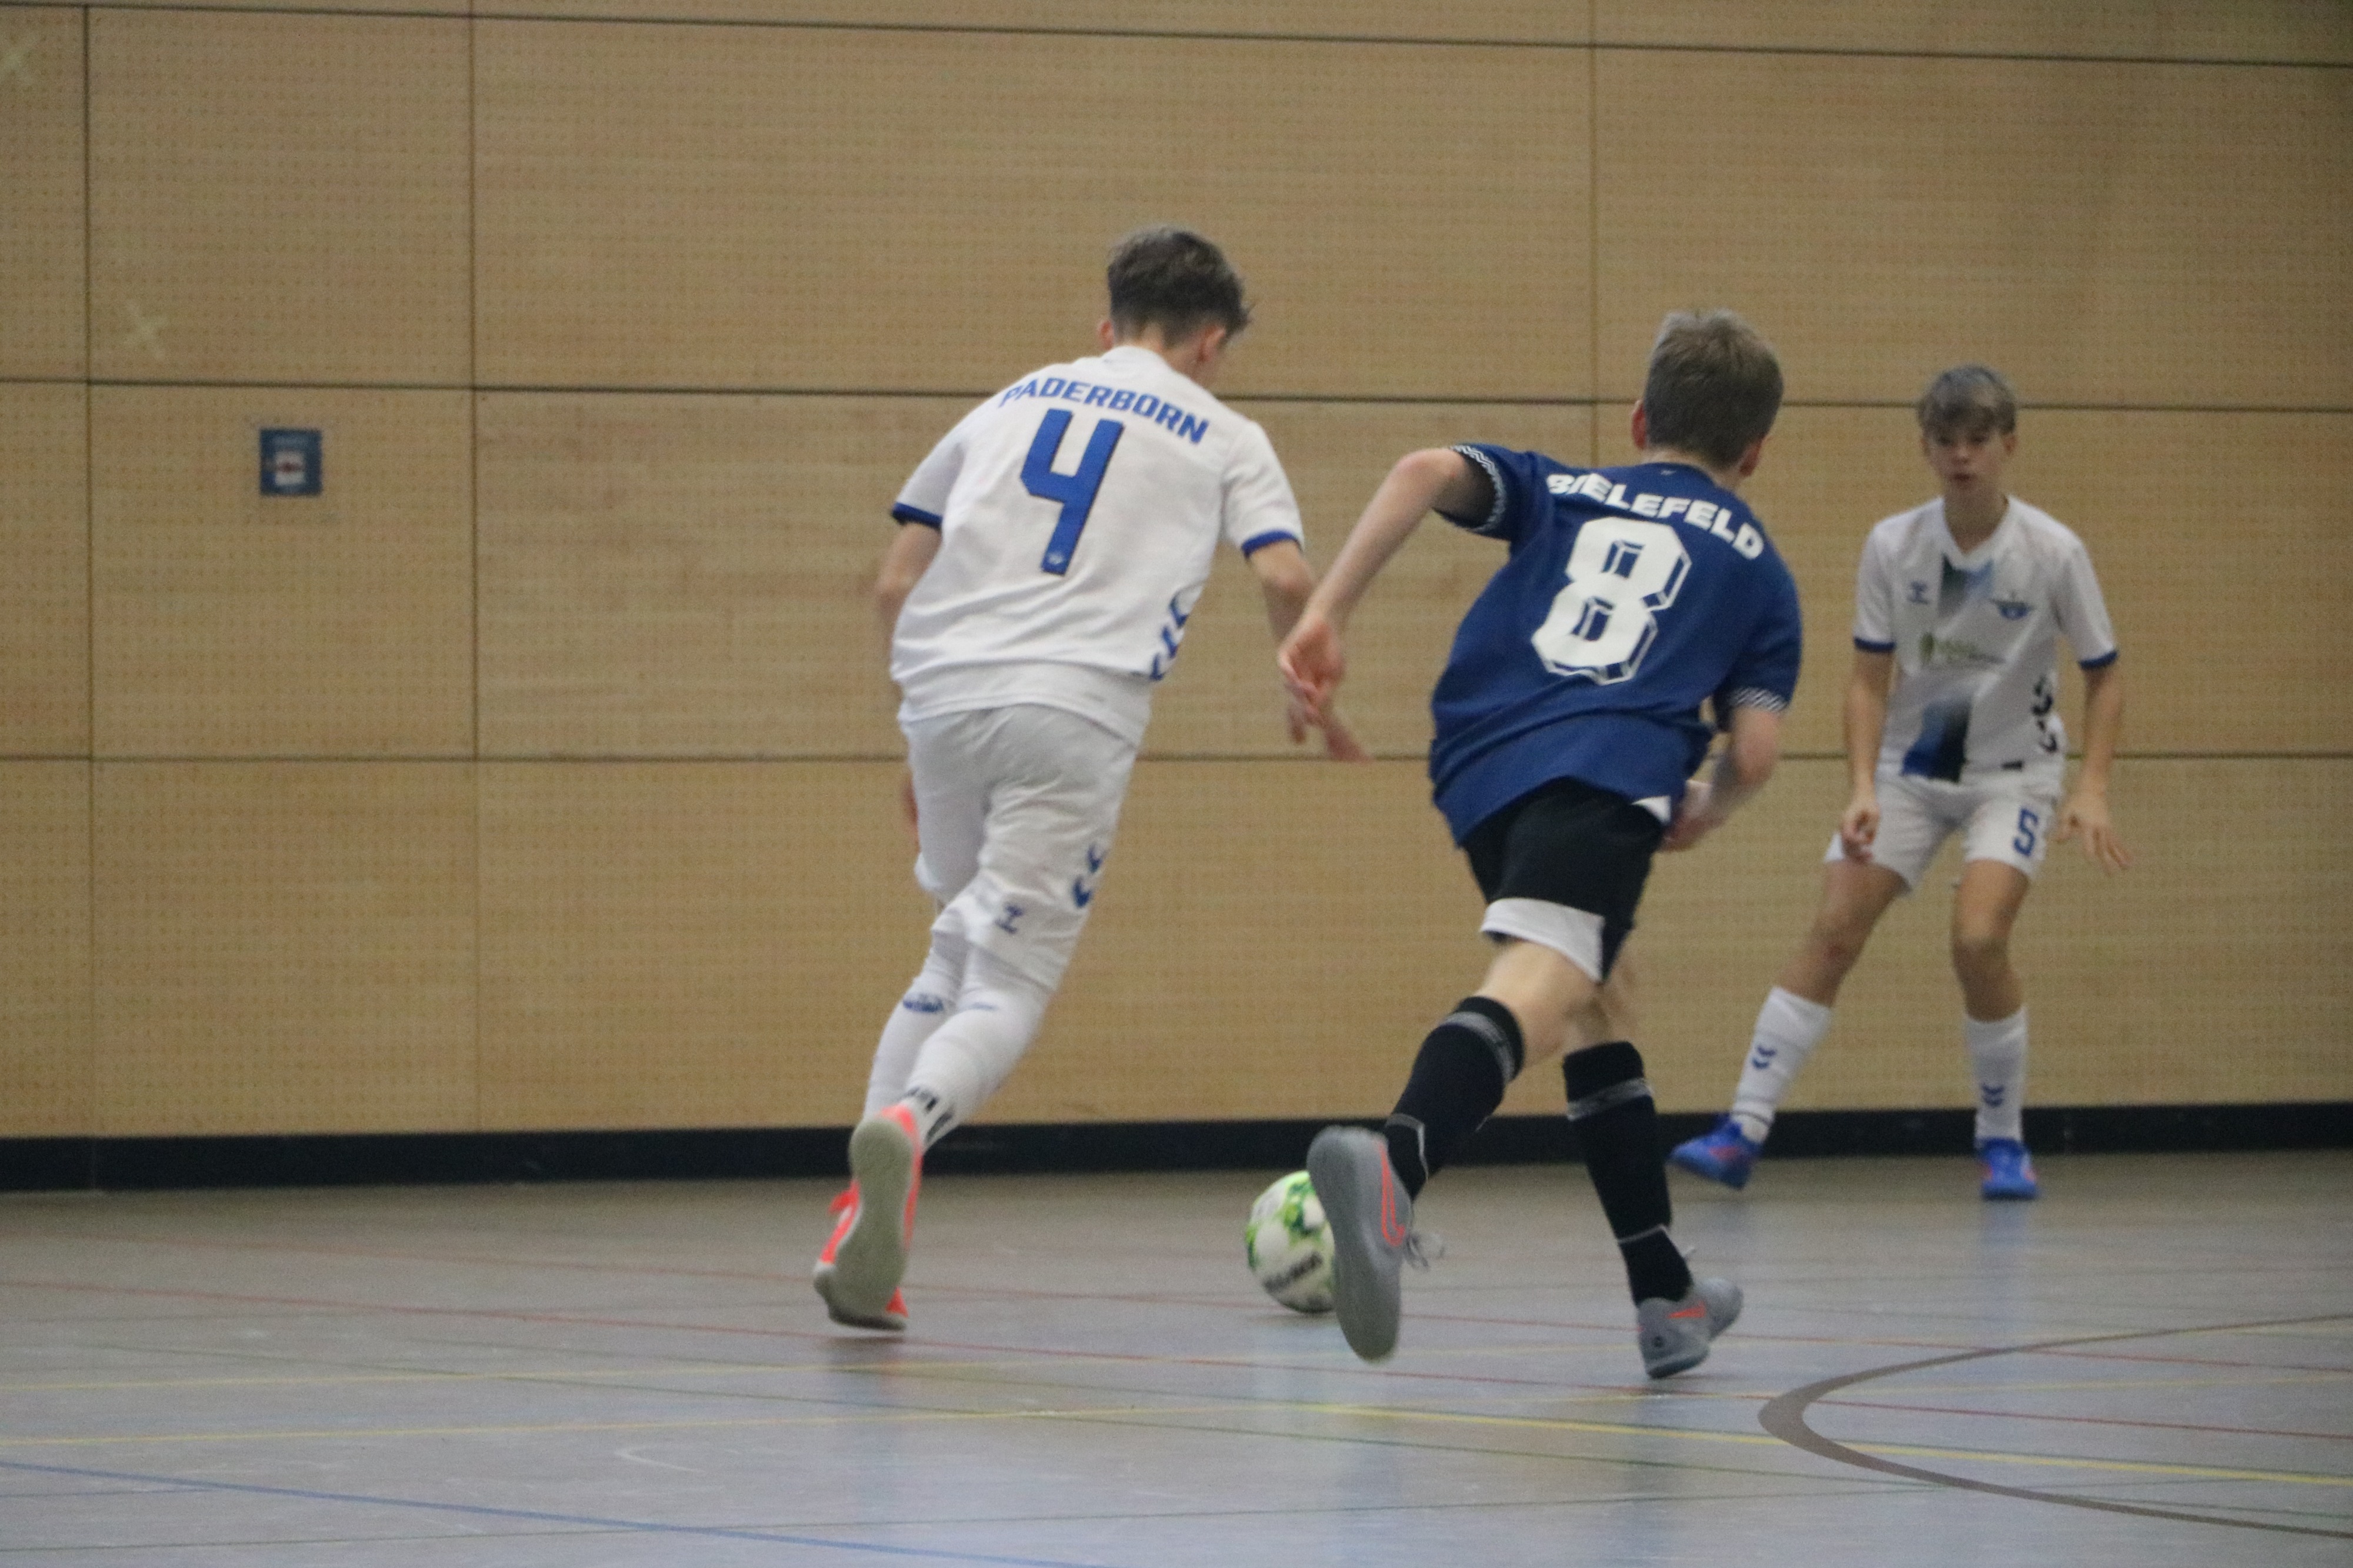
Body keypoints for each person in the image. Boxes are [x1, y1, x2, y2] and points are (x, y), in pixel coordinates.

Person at [814, 226, 1362, 1333]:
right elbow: (1289, 571)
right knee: (1010, 983)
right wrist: (1306, 676)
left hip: (942, 688)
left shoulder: (1007, 403)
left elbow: (893, 583)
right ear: (1210, 344)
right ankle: (914, 1125)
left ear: (1105, 326)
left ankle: (857, 1230)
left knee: (951, 945)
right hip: (1072, 707)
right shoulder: (1225, 431)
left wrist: (916, 731)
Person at [1280, 310, 1802, 1377]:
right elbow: (1754, 751)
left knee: (1598, 998)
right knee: (1546, 975)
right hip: (1606, 763)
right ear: (1754, 453)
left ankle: (1666, 1294)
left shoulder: (1567, 486)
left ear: (1640, 417)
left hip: (1476, 760)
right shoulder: (1760, 571)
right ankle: (1395, 1163)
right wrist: (1705, 803)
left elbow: (1425, 468)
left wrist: (1326, 610)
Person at [1669, 365, 2129, 1203]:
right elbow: (1867, 681)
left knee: (1978, 938)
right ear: (1925, 448)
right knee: (1836, 923)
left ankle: (2001, 1140)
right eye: (1946, 441)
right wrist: (1860, 786)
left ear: (2008, 447)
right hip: (1912, 772)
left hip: (2013, 775)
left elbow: (2105, 675)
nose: (1962, 457)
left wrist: (2090, 788)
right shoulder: (1894, 545)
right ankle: (1743, 1128)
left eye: (1978, 441)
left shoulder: (2053, 551)